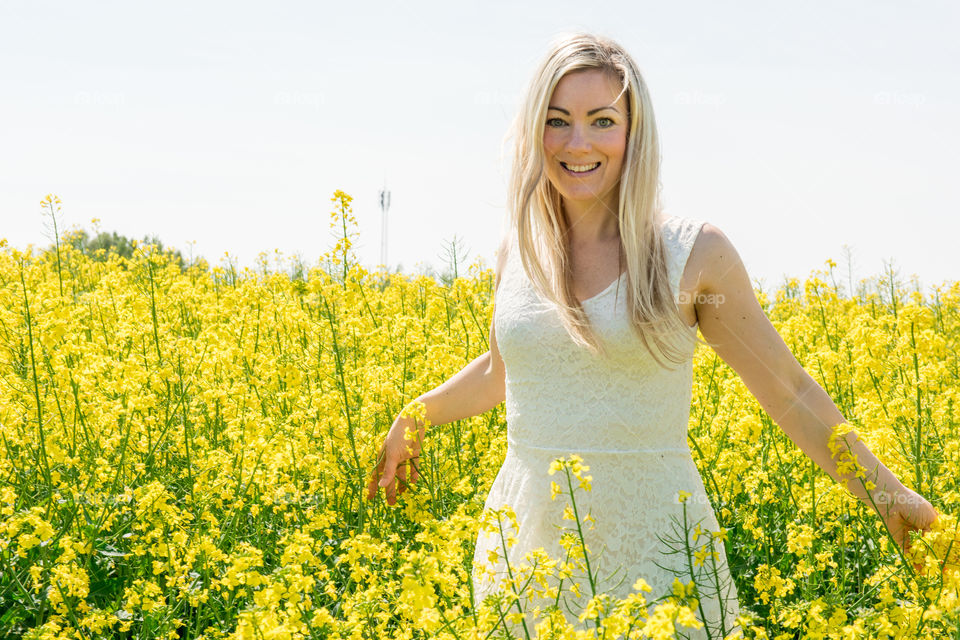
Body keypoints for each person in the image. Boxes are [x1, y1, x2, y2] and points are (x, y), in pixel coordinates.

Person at [365, 32, 939, 638]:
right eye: (557, 121)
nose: (577, 142)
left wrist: (889, 494)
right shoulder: (519, 250)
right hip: (527, 552)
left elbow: (788, 390)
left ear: (634, 133)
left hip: (661, 560)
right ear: (535, 132)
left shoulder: (694, 253)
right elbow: (507, 372)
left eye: (601, 121)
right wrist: (415, 414)